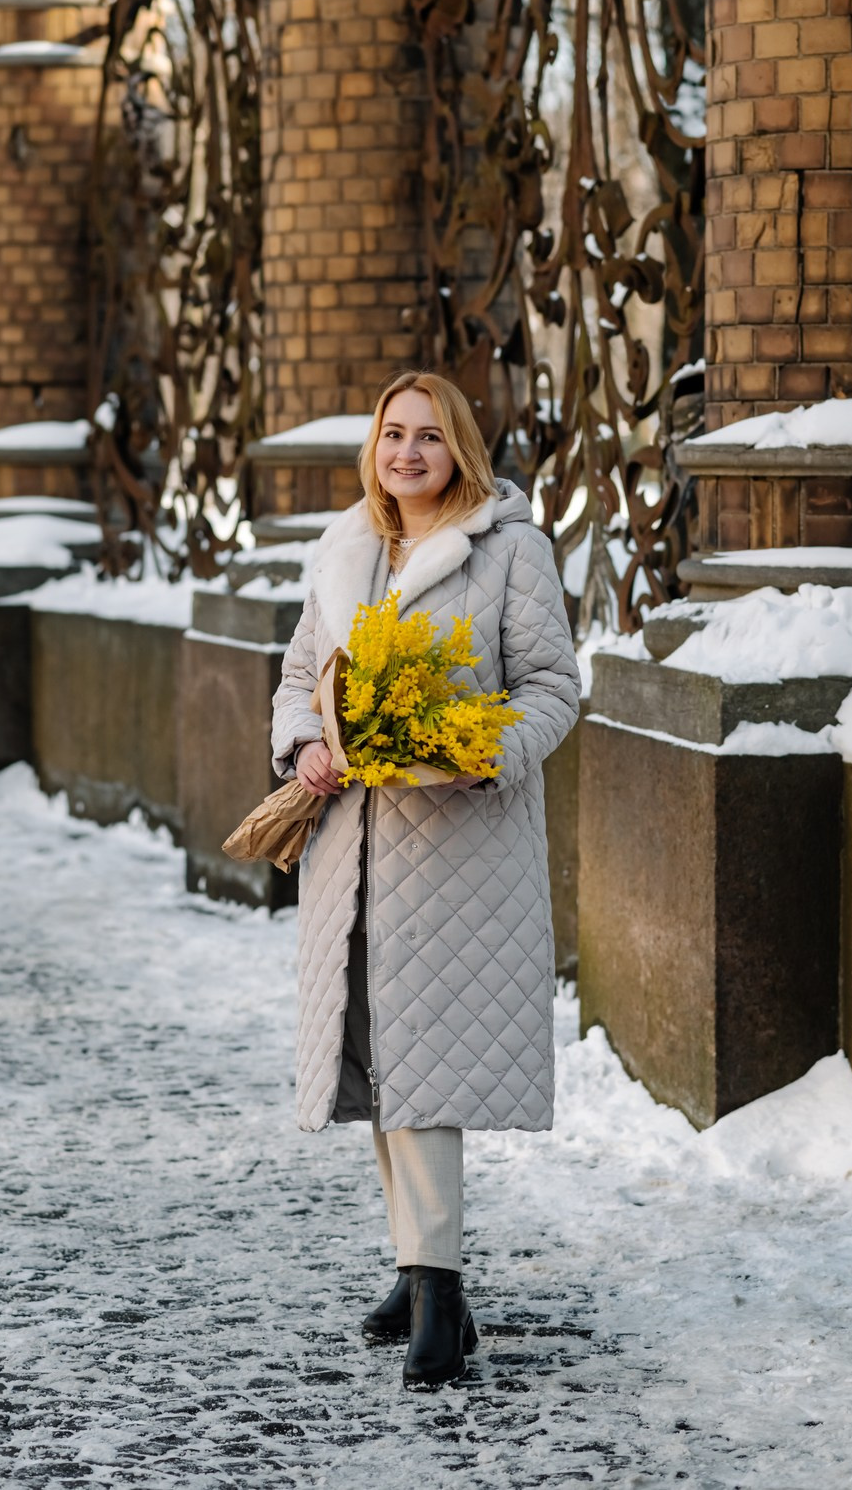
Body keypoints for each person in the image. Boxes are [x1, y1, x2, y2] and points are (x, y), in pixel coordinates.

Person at [270, 371, 581, 1389]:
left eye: (429, 436)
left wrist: (486, 750)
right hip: (356, 847)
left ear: (460, 450)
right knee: (381, 1059)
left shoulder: (509, 550)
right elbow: (300, 676)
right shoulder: (346, 545)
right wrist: (307, 746)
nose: (407, 452)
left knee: (429, 1067)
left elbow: (553, 688)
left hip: (460, 852)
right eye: (393, 434)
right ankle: (415, 1268)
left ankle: (441, 1292)